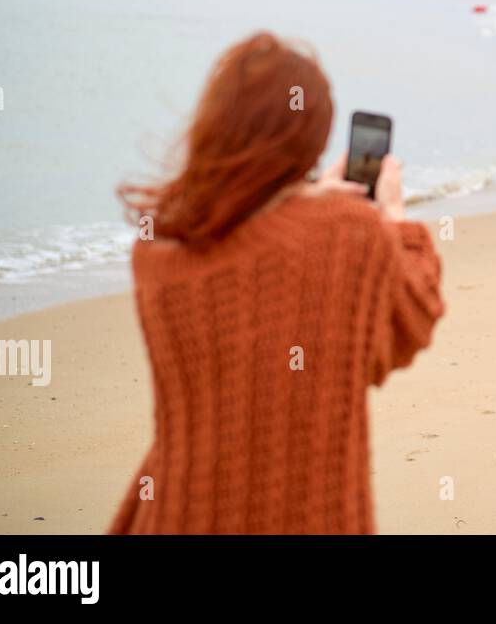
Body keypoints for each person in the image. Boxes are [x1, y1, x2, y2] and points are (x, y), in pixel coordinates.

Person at [108, 31, 445, 533]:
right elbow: (399, 334)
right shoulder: (347, 231)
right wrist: (394, 217)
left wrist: (306, 195)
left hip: (174, 513)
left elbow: (252, 244)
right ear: (311, 138)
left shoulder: (157, 246)